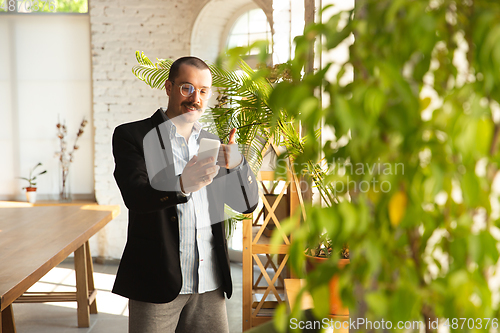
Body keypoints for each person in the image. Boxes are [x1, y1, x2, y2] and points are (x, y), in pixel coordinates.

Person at [111, 56, 259, 333]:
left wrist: (239, 165)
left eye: (203, 91)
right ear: (169, 87)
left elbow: (247, 204)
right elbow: (135, 196)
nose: (196, 98)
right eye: (187, 88)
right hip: (156, 282)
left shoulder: (212, 142)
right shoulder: (133, 135)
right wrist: (180, 184)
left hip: (210, 284)